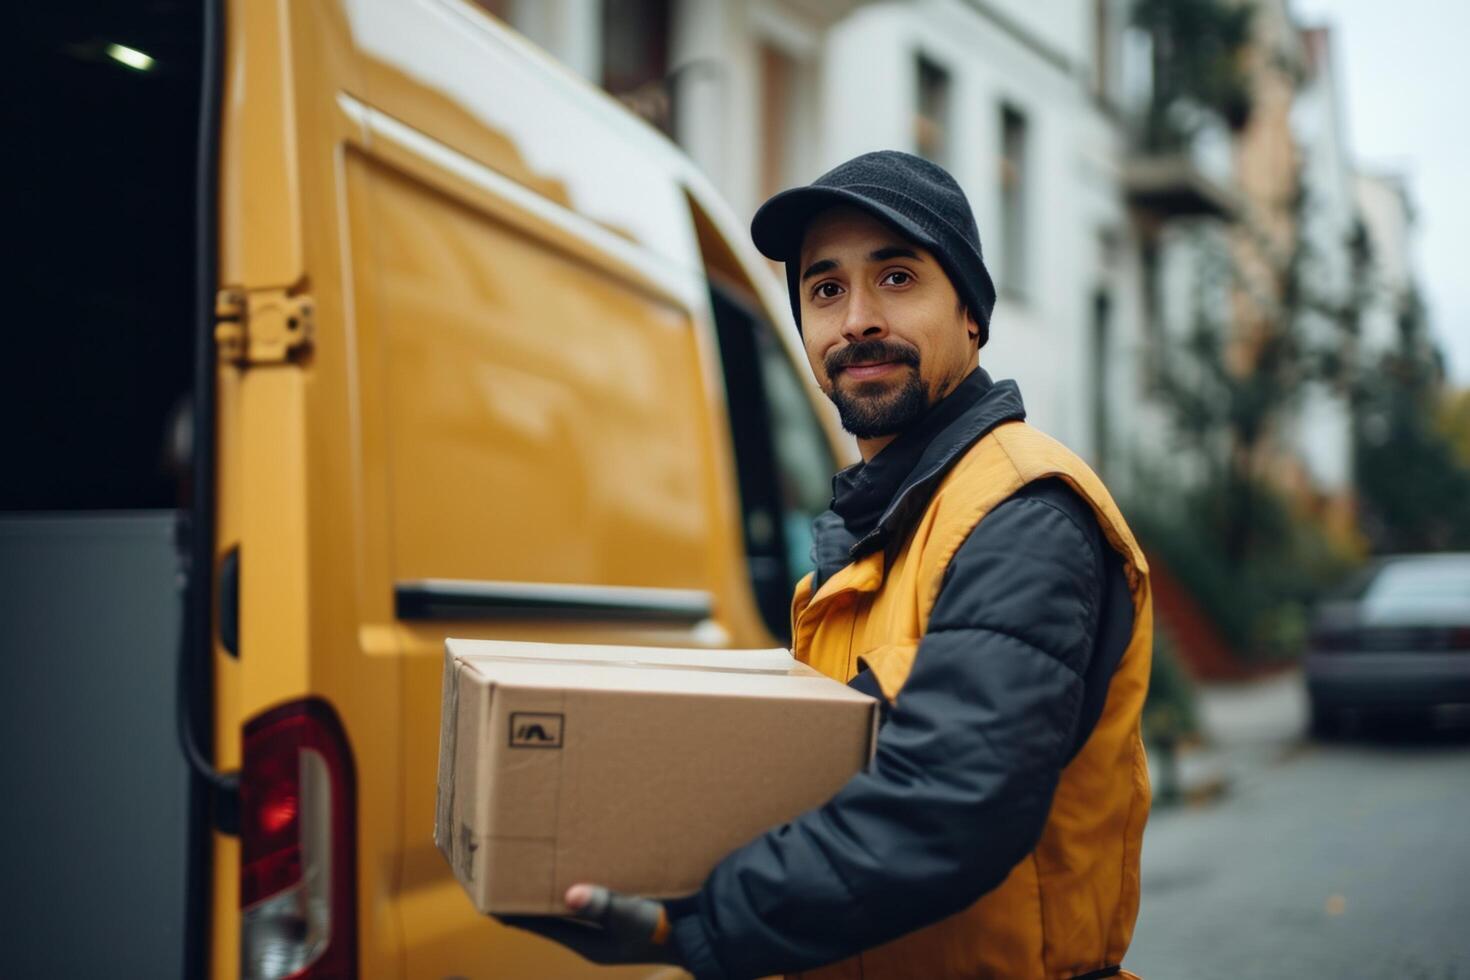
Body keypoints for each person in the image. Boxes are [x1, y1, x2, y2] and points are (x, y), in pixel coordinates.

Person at [504, 151, 1153, 980]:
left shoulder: (1021, 511)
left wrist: (700, 922)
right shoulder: (873, 536)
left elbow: (949, 804)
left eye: (897, 278)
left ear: (971, 316)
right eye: (825, 290)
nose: (856, 321)